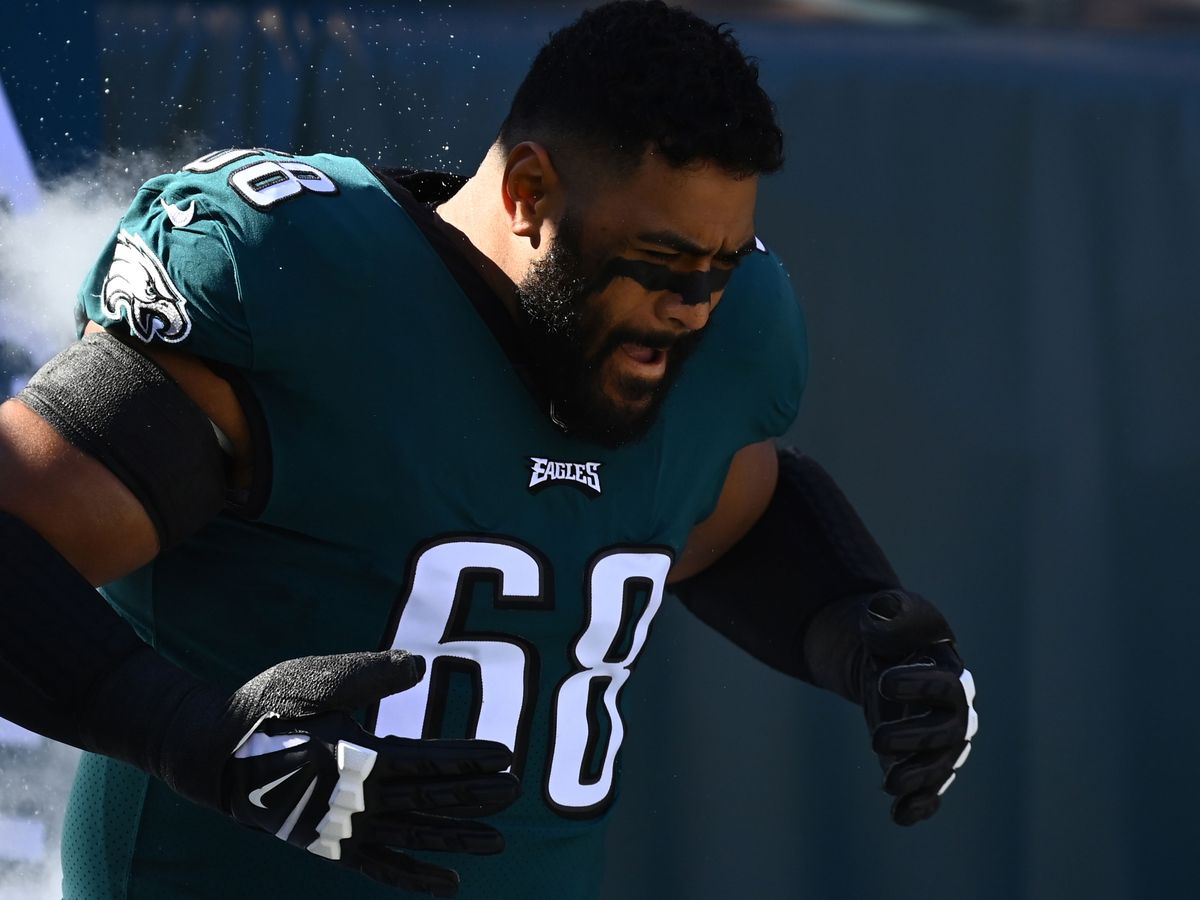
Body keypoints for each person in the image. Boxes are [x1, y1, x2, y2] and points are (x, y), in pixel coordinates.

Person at [0, 2, 977, 898]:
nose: (692, 309)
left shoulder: (724, 339)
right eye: (659, 264)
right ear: (529, 193)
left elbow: (718, 507)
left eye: (719, 267)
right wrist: (197, 738)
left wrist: (856, 628)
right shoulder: (310, 296)